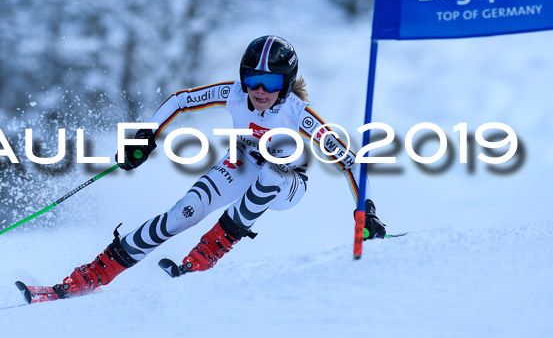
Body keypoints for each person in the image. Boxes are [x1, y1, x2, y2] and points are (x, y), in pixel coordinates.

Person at [51, 35, 386, 298]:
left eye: (270, 83)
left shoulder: (299, 114)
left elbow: (350, 163)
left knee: (270, 172)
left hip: (286, 183)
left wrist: (366, 211)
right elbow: (181, 100)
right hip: (240, 165)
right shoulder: (235, 93)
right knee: (182, 212)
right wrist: (144, 137)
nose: (259, 91)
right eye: (252, 79)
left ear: (286, 83)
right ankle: (95, 271)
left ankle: (208, 252)